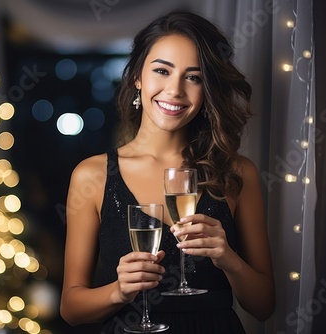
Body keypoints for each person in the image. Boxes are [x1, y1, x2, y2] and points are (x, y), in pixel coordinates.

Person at [60, 9, 274, 334]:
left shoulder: (237, 172)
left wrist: (228, 258)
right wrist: (119, 290)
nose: (175, 90)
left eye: (194, 77)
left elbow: (264, 305)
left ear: (208, 89)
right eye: (162, 70)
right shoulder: (92, 175)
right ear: (137, 77)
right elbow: (71, 309)